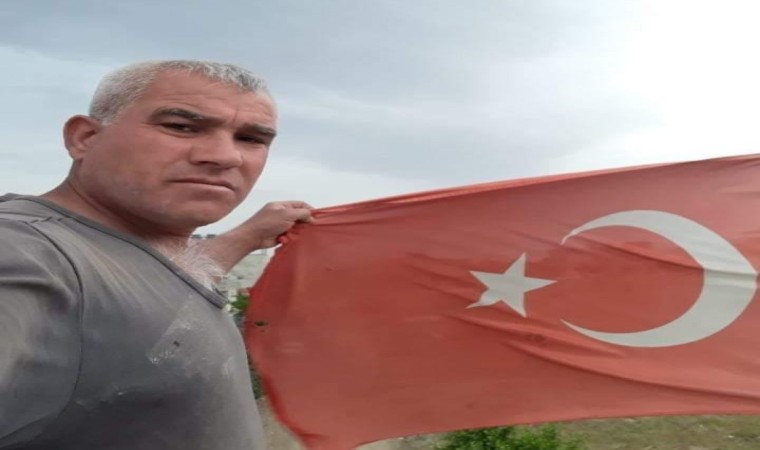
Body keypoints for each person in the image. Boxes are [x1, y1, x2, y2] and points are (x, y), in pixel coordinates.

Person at [0, 60, 312, 450]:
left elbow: (161, 284)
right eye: (181, 127)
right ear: (85, 138)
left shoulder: (119, 245)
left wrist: (246, 237)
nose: (224, 156)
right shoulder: (22, 250)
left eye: (251, 138)